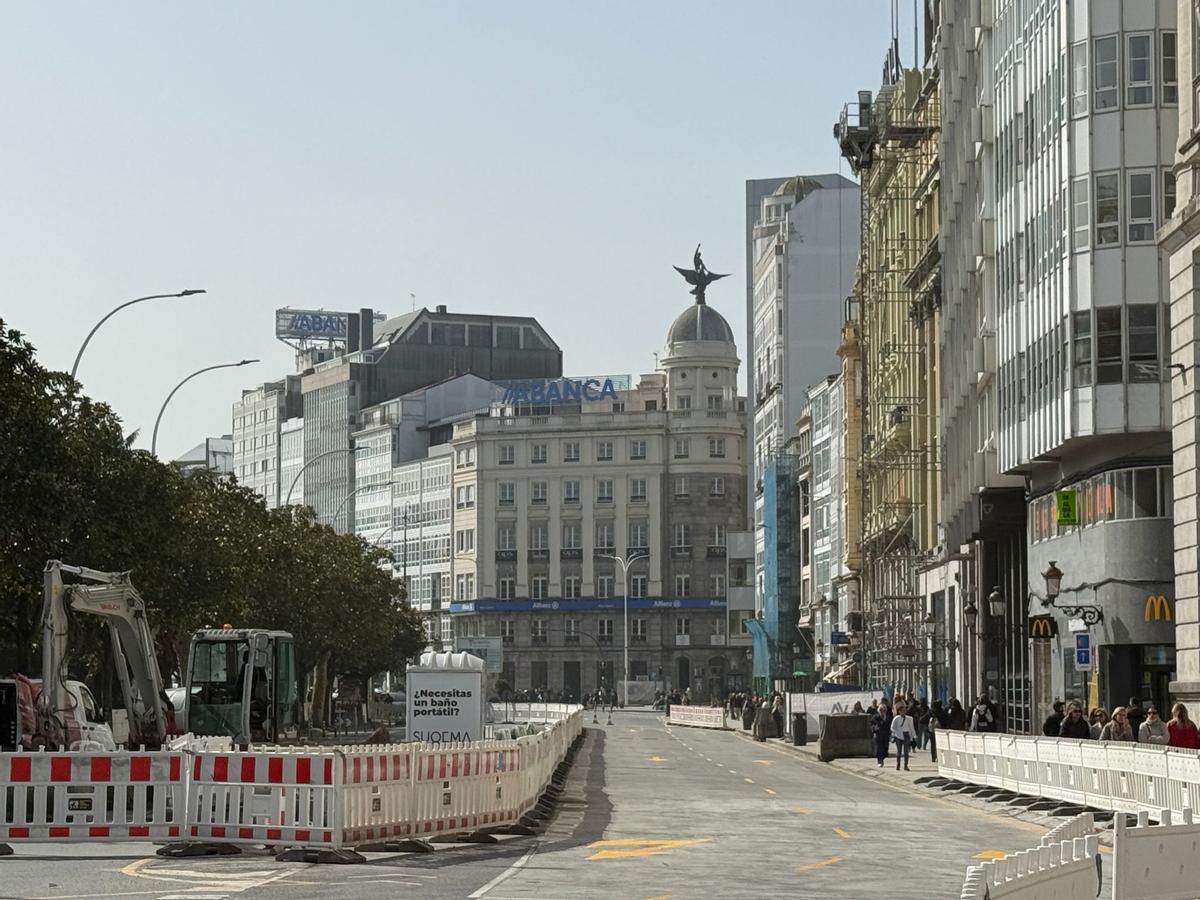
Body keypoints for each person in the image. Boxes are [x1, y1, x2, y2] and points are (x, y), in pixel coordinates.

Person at [891, 702, 916, 771]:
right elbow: (892, 727)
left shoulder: (909, 718)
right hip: (898, 736)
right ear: (899, 711)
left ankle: (906, 765)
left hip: (906, 735)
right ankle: (898, 764)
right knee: (899, 752)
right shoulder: (896, 718)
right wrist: (896, 733)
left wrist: (913, 736)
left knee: (906, 752)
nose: (903, 712)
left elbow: (911, 728)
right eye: (902, 711)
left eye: (905, 711)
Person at [871, 703, 893, 767]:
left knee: (885, 748)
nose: (882, 711)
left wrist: (891, 733)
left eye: (884, 710)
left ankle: (882, 758)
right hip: (879, 734)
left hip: (886, 735)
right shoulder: (875, 717)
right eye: (881, 710)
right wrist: (874, 728)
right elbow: (872, 724)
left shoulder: (888, 717)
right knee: (879, 748)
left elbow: (890, 725)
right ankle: (880, 761)